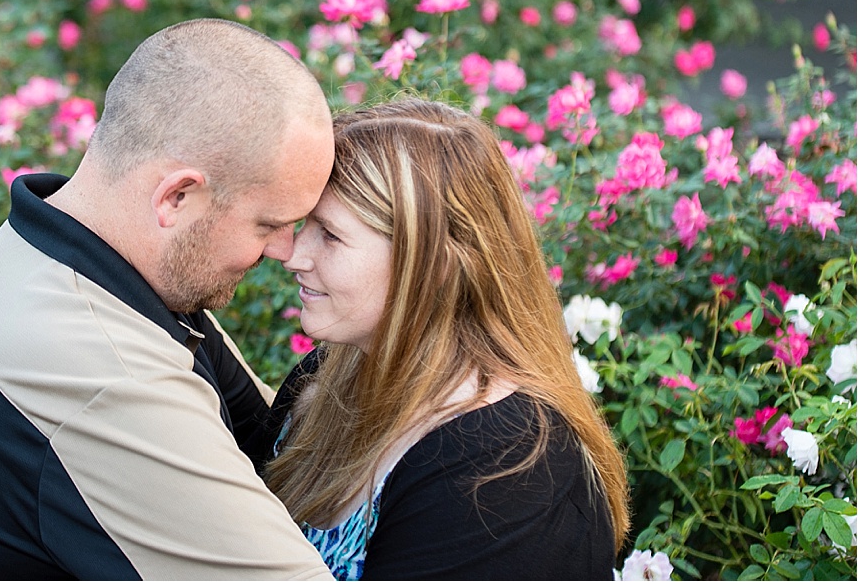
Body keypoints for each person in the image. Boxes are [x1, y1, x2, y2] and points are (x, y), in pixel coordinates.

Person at [0, 19, 337, 580]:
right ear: (178, 197)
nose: (286, 251)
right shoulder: (104, 369)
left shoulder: (53, 249)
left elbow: (274, 436)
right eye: (270, 224)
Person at [252, 97, 630, 580]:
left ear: (436, 265)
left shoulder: (505, 472)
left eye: (329, 234)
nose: (292, 254)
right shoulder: (328, 377)